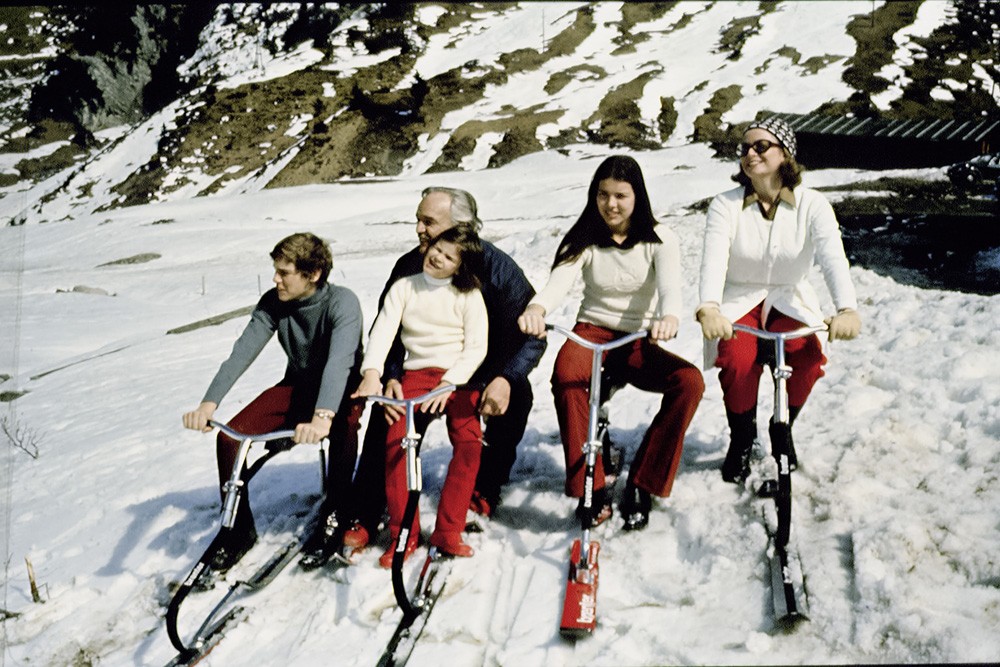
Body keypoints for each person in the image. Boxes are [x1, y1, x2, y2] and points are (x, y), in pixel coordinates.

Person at [342, 186, 545, 550]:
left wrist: (506, 378)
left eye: (428, 222)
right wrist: (389, 375)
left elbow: (534, 336)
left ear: (461, 227)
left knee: (515, 400)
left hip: (483, 372)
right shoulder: (410, 267)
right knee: (389, 417)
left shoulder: (499, 269)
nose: (419, 230)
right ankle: (368, 510)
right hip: (422, 370)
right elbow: (386, 330)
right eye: (418, 221)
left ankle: (483, 488)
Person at [518, 155, 705, 531]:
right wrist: (537, 308)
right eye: (603, 195)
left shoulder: (660, 238)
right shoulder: (584, 237)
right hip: (593, 332)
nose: (611, 205)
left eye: (620, 195)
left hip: (639, 337)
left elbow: (670, 288)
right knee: (568, 376)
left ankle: (645, 480)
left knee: (689, 382)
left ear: (638, 196)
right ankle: (591, 482)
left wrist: (668, 318)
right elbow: (558, 284)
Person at [181, 232, 364, 573]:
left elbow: (340, 362)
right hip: (299, 385)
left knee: (343, 429)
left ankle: (336, 513)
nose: (276, 279)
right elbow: (242, 351)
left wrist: (323, 416)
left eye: (284, 272)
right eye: (275, 271)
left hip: (343, 388)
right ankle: (237, 528)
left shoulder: (343, 302)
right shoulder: (273, 302)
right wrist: (209, 404)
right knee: (230, 438)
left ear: (314, 273)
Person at [695, 116, 861, 484]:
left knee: (807, 354)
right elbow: (714, 257)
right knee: (737, 358)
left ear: (785, 153)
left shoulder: (812, 205)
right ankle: (742, 438)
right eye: (745, 148)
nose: (750, 154)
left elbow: (833, 257)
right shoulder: (725, 205)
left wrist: (846, 308)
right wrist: (709, 306)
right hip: (740, 299)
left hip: (790, 296)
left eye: (761, 146)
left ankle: (781, 428)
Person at [352, 226, 488, 567]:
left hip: (457, 378)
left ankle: (448, 531)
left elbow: (476, 348)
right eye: (437, 249)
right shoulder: (405, 287)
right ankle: (404, 533)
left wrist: (451, 382)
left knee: (469, 442)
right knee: (398, 441)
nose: (437, 258)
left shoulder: (469, 296)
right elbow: (383, 331)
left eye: (448, 256)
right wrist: (373, 372)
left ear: (460, 266)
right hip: (416, 375)